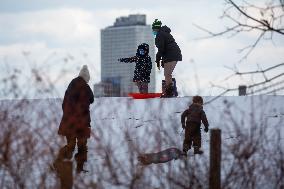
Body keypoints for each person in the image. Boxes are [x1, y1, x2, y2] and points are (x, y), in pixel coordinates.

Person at [58, 65, 94, 172]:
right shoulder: (86, 88)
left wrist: (69, 117)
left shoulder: (69, 88)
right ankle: (79, 168)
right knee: (82, 147)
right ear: (86, 78)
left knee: (70, 146)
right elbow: (91, 99)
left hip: (69, 123)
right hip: (82, 123)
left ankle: (57, 163)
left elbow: (64, 105)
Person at [152, 19, 182, 97]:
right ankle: (172, 90)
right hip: (174, 54)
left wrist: (158, 58)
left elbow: (161, 48)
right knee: (168, 74)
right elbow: (164, 48)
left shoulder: (160, 34)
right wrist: (163, 60)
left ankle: (169, 92)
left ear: (156, 28)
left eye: (153, 29)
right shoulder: (164, 33)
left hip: (171, 55)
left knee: (167, 74)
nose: (153, 31)